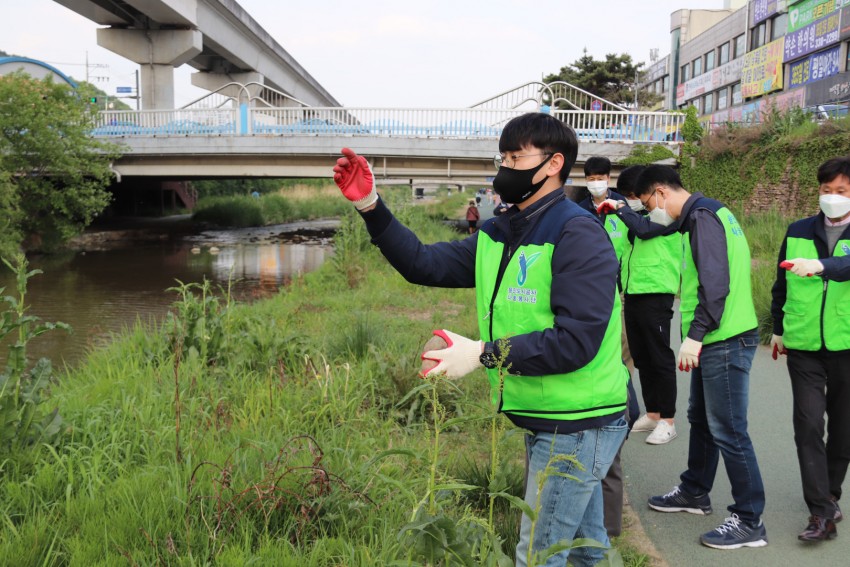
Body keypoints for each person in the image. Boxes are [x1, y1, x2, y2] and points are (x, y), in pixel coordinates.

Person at [332, 113, 629, 567]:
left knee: (537, 553)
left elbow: (575, 341)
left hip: (579, 421)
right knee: (585, 552)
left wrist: (483, 354)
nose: (505, 167)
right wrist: (371, 204)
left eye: (516, 157)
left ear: (553, 164)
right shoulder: (499, 232)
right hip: (550, 416)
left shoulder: (577, 232)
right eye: (503, 156)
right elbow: (422, 264)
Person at [632, 165, 768, 550]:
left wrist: (694, 336)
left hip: (723, 337)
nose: (652, 211)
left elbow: (715, 283)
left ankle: (749, 519)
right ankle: (694, 490)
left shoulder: (703, 219)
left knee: (729, 429)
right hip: (719, 336)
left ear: (660, 192)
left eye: (648, 203)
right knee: (702, 420)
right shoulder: (709, 213)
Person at [769, 156, 850, 543]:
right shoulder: (798, 229)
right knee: (807, 423)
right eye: (826, 190)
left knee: (844, 429)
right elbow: (780, 284)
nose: (832, 198)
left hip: (848, 345)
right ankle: (820, 511)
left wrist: (821, 266)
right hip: (803, 347)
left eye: (841, 191)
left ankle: (831, 494)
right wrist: (779, 329)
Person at [597, 166, 682, 445]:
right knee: (642, 357)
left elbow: (644, 232)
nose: (633, 200)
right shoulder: (637, 216)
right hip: (632, 292)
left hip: (656, 292)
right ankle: (654, 412)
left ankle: (668, 420)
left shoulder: (665, 214)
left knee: (660, 358)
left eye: (634, 195)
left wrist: (622, 209)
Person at [578, 156, 629, 262]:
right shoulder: (581, 209)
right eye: (592, 179)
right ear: (586, 180)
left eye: (600, 179)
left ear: (608, 179)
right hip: (592, 266)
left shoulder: (622, 203)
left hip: (619, 267)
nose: (596, 183)